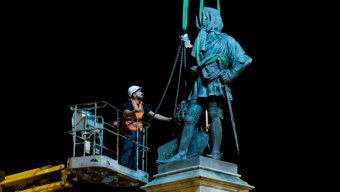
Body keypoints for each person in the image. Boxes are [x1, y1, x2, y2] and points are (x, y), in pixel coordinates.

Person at [158, 7, 252, 163]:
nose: (201, 22)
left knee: (214, 116)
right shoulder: (201, 39)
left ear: (212, 19)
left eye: (204, 18)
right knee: (189, 118)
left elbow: (245, 59)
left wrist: (230, 74)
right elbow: (197, 58)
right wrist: (187, 44)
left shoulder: (226, 40)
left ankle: (215, 152)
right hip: (198, 83)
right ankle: (181, 153)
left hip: (214, 83)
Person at [120, 85, 174, 170]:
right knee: (128, 150)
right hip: (130, 132)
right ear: (134, 94)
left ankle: (133, 171)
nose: (142, 92)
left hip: (138, 133)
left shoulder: (142, 105)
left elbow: (154, 115)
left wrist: (168, 119)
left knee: (137, 153)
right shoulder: (129, 102)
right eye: (139, 91)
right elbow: (125, 113)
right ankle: (123, 169)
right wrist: (134, 111)